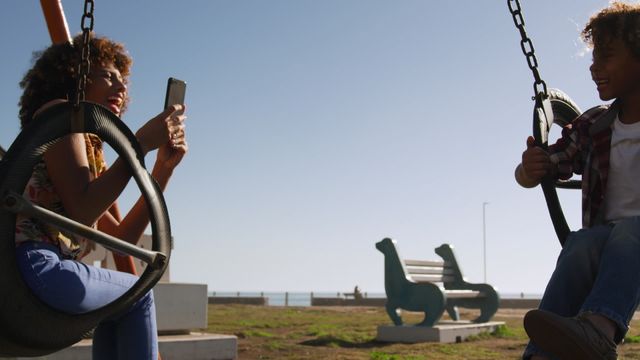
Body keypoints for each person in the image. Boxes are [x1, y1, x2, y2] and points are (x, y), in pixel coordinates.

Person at [14, 33, 187, 359]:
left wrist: (163, 169)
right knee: (137, 295)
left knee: (118, 306)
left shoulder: (90, 145)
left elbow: (122, 237)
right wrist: (137, 146)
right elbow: (82, 213)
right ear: (74, 74)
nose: (121, 89)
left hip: (46, 269)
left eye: (123, 82)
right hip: (33, 264)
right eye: (108, 76)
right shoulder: (59, 115)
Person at [515, 2, 640, 359]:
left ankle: (599, 331)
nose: (594, 67)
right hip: (611, 243)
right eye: (593, 56)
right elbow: (548, 166)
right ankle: (542, 352)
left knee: (631, 231)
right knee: (582, 243)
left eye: (608, 56)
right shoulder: (596, 125)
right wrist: (530, 168)